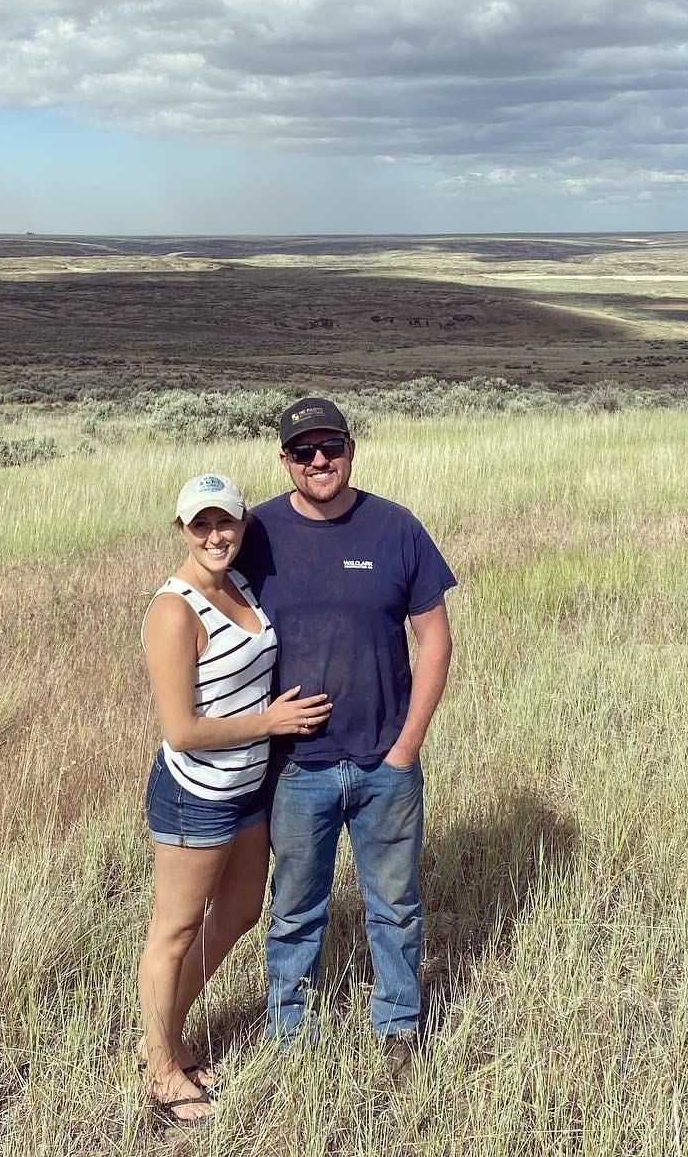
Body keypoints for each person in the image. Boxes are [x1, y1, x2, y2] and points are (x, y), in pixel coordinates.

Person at [236, 398, 456, 1077]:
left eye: (330, 446)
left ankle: (399, 1025)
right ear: (285, 461)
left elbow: (435, 639)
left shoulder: (396, 528)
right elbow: (208, 618)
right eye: (303, 451)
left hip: (385, 761)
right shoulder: (257, 534)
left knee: (395, 907)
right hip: (296, 768)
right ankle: (290, 1036)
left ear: (351, 449)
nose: (319, 461)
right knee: (295, 910)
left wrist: (406, 746)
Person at [138, 472, 333, 1126]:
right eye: (201, 524)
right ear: (181, 530)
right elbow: (182, 730)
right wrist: (270, 724)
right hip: (196, 794)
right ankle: (161, 1069)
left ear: (243, 523)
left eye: (225, 521)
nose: (215, 535)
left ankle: (164, 1034)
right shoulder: (174, 612)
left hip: (247, 787)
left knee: (242, 910)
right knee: (175, 931)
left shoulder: (239, 585)